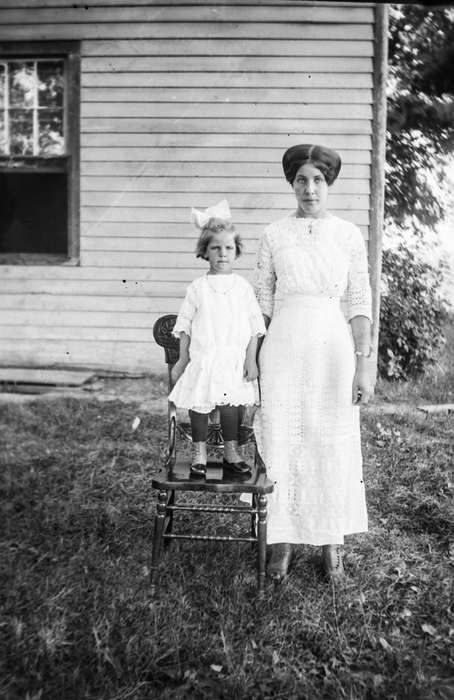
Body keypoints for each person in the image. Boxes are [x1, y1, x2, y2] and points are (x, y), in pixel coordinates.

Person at [253, 144, 374, 580]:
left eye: (318, 180)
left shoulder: (346, 235)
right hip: (283, 345)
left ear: (329, 184)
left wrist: (365, 363)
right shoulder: (273, 234)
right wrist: (250, 358)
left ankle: (330, 542)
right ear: (292, 184)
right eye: (301, 180)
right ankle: (281, 541)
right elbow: (262, 304)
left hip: (332, 348)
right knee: (283, 437)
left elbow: (359, 302)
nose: (310, 189)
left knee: (331, 438)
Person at [169, 199, 266, 478]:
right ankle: (198, 452)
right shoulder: (197, 288)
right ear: (205, 252)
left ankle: (231, 452)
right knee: (200, 404)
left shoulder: (243, 288)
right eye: (216, 248)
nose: (222, 254)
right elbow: (185, 326)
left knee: (231, 407)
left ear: (236, 252)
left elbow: (254, 327)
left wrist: (251, 360)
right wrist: (183, 360)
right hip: (205, 358)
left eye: (228, 248)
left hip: (234, 360)